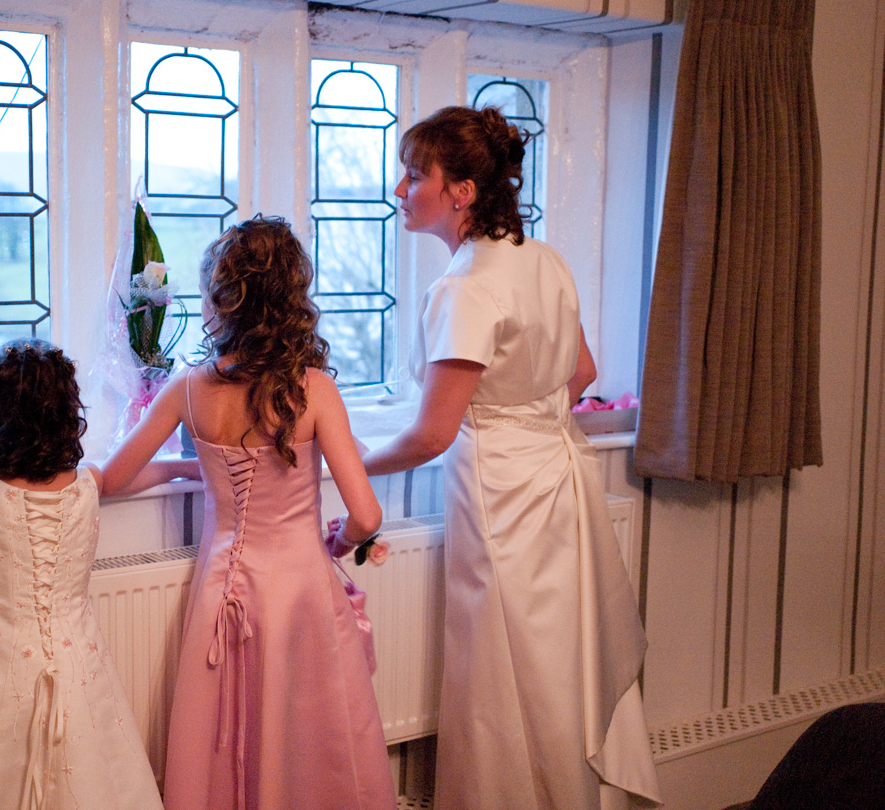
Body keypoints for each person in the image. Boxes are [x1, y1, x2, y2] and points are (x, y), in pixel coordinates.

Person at [358, 106, 662, 810]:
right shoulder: (543, 258)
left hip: (500, 496)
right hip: (558, 478)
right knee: (556, 666)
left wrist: (346, 462)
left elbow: (433, 434)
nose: (399, 190)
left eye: (412, 176)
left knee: (503, 672)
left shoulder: (468, 285)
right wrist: (529, 414)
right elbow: (582, 371)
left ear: (461, 191)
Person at [100, 215, 396, 810]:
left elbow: (113, 477)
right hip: (301, 591)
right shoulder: (313, 389)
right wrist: (337, 545)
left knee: (227, 734)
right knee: (306, 735)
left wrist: (198, 468)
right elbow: (365, 514)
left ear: (222, 302)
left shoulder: (187, 387)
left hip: (221, 588)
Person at [0, 339, 192, 810]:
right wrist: (184, 468)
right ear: (70, 418)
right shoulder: (89, 483)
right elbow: (133, 475)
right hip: (77, 654)